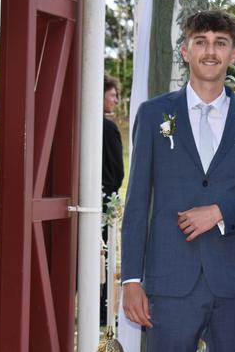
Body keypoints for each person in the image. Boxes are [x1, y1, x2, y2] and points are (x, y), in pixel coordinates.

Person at [121, 10, 235, 352]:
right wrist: (132, 280)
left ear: (233, 53)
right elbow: (136, 202)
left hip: (232, 284)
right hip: (168, 282)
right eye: (201, 42)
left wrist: (220, 212)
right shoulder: (154, 115)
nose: (210, 51)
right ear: (185, 50)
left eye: (220, 43)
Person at [101, 75, 125, 326]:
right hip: (104, 199)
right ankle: (102, 307)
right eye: (113, 94)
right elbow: (117, 170)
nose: (116, 100)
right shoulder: (108, 128)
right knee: (104, 254)